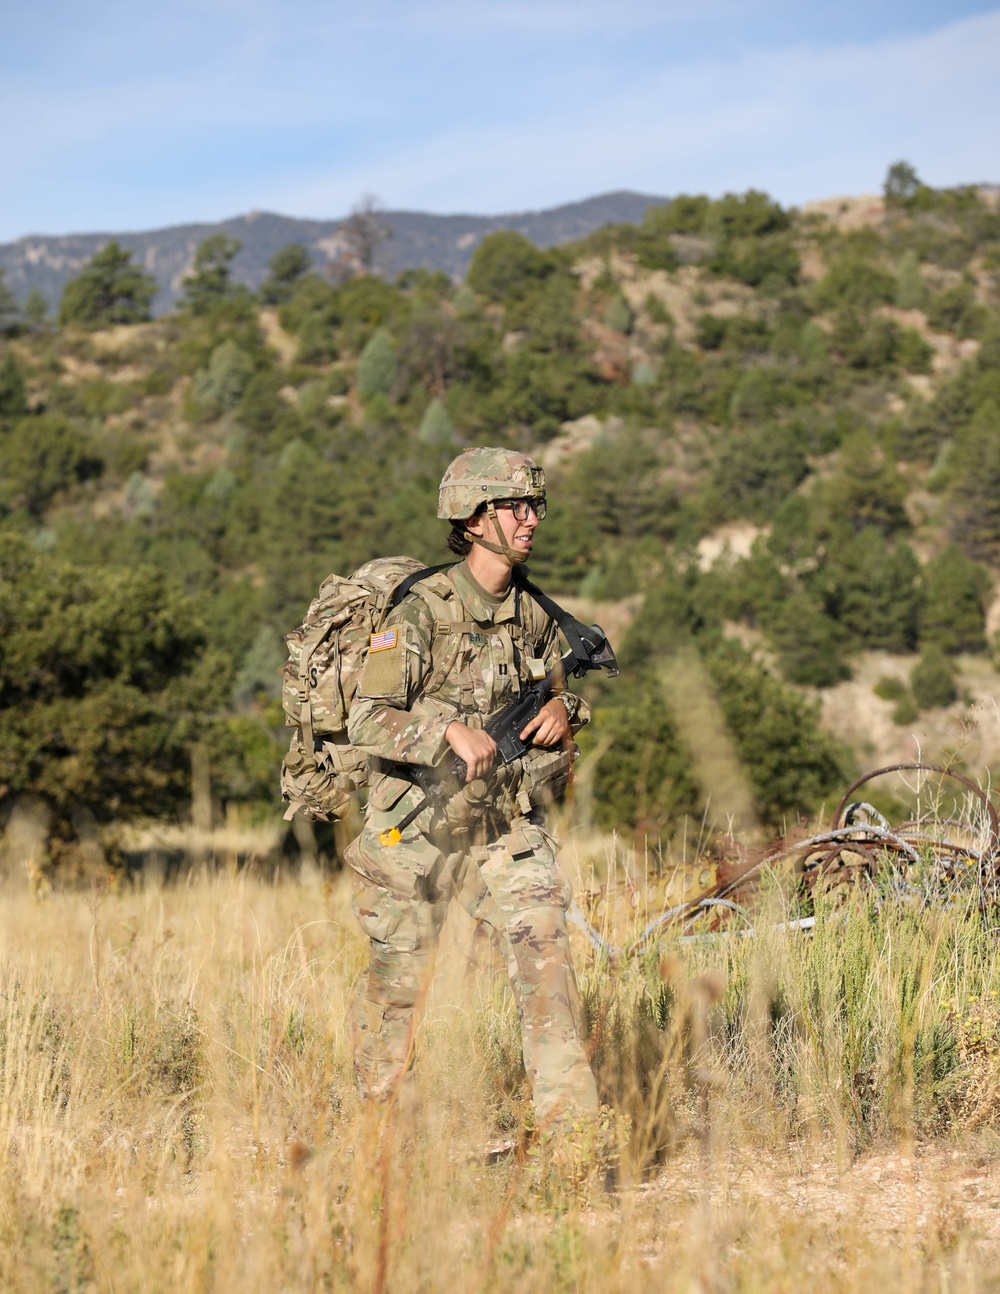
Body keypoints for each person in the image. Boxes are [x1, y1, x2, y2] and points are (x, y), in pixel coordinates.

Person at [345, 446, 599, 1126]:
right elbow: (366, 718)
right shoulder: (421, 612)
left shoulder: (537, 614)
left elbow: (561, 695)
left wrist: (563, 711)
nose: (531, 519)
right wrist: (442, 734)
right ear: (472, 515)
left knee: (546, 956)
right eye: (515, 506)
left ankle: (570, 1139)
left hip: (503, 829)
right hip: (415, 828)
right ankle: (381, 1139)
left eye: (535, 505)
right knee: (396, 990)